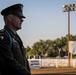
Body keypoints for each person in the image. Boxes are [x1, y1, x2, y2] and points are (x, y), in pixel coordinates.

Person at [0, 3, 31, 75]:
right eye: (19, 17)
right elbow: (9, 62)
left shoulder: (16, 37)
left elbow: (24, 60)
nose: (22, 20)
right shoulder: (3, 36)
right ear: (9, 18)